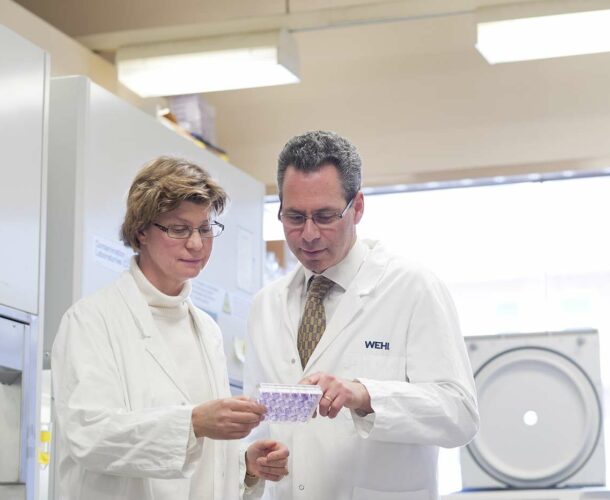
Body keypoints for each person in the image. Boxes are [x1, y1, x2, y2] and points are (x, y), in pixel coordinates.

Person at [244, 131, 480, 500]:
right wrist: (252, 459)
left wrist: (365, 395)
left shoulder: (411, 287)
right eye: (294, 217)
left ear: (357, 208)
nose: (308, 234)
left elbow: (459, 415)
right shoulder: (266, 305)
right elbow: (258, 423)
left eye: (324, 216)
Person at [52, 156, 289, 500]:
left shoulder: (206, 329)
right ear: (141, 232)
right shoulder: (91, 321)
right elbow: (89, 436)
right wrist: (194, 422)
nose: (196, 244)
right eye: (179, 229)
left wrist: (246, 467)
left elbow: (201, 464)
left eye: (205, 228)